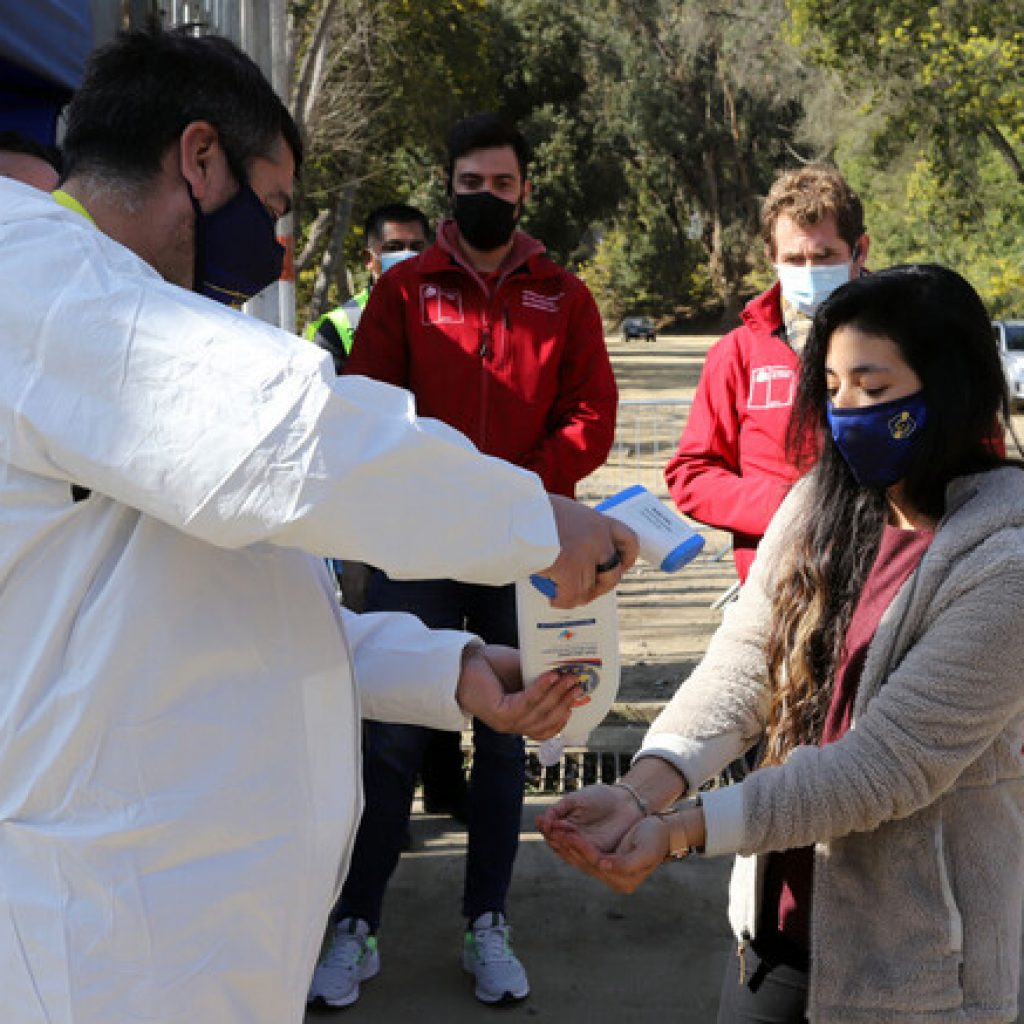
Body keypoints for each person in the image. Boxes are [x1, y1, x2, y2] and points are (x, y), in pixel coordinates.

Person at [0, 30, 637, 1024]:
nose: (278, 247)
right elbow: (298, 438)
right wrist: (534, 519)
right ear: (199, 158)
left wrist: (448, 668)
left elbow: (236, 601)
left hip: (184, 940)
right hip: (98, 948)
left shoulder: (113, 327)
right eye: (273, 206)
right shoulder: (36, 269)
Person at [540, 264, 1024, 1023]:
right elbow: (745, 663)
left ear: (951, 388)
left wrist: (681, 831)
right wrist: (643, 788)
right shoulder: (817, 504)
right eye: (830, 388)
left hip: (920, 968)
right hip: (775, 933)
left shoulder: (1005, 558)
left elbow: (887, 767)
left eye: (872, 387)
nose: (846, 411)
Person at [312, 112, 619, 1008]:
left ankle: (488, 921)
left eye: (504, 184)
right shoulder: (405, 291)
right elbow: (372, 406)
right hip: (418, 544)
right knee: (391, 736)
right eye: (472, 183)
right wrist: (450, 495)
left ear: (526, 190)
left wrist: (519, 495)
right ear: (448, 186)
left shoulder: (564, 296)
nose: (488, 196)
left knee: (507, 732)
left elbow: (591, 414)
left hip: (521, 548)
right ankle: (355, 923)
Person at [665, 165, 869, 584]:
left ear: (859, 250)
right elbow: (692, 474)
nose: (809, 270)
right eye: (794, 258)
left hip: (888, 576)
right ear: (771, 258)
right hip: (776, 584)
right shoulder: (736, 353)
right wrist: (789, 506)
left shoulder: (914, 337)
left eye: (825, 256)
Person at [305, 202, 430, 374]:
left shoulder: (449, 314)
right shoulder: (337, 327)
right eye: (393, 248)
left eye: (417, 248)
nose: (408, 257)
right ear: (368, 259)